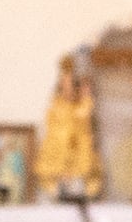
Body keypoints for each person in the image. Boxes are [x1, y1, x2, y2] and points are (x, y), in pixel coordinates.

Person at [39, 57, 101, 199]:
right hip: (57, 165)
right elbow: (54, 137)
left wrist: (86, 98)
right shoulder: (55, 107)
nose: (68, 88)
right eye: (64, 84)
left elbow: (83, 125)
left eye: (72, 84)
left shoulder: (82, 108)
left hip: (80, 164)